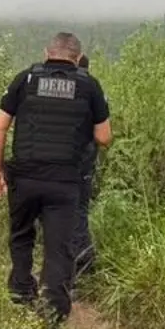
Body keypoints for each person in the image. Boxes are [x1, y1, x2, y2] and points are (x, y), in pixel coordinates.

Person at [0, 33, 112, 329]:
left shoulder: (25, 79)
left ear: (47, 52)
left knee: (21, 236)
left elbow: (0, 128)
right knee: (59, 249)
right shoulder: (89, 86)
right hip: (65, 181)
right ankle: (52, 321)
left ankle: (20, 294)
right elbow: (104, 138)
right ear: (77, 56)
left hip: (25, 176)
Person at [72, 53, 98, 289]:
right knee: (79, 211)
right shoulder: (95, 89)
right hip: (87, 159)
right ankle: (83, 264)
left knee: (71, 214)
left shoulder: (77, 90)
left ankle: (83, 266)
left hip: (71, 162)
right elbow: (104, 135)